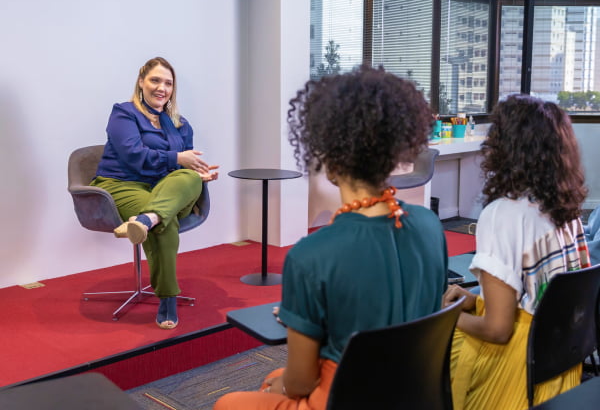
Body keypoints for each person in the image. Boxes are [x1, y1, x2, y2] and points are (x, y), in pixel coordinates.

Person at [213, 65, 448, 409]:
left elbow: (300, 381)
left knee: (228, 403)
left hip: (343, 399)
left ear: (332, 163)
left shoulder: (311, 255)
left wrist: (275, 389)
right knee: (268, 379)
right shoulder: (430, 226)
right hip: (414, 392)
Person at [442, 94, 591, 410]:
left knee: (427, 352)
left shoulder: (503, 215)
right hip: (560, 363)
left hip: (513, 370)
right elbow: (543, 296)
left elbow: (497, 330)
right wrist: (478, 301)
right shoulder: (568, 211)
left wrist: (445, 319)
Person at [91, 57, 219, 330]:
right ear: (141, 82)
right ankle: (168, 298)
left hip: (163, 189)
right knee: (167, 220)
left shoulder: (181, 124)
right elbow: (134, 156)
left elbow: (184, 166)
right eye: (155, 80)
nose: (162, 88)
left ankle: (147, 218)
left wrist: (199, 174)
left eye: (168, 83)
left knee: (188, 177)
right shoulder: (123, 113)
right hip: (122, 184)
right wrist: (177, 159)